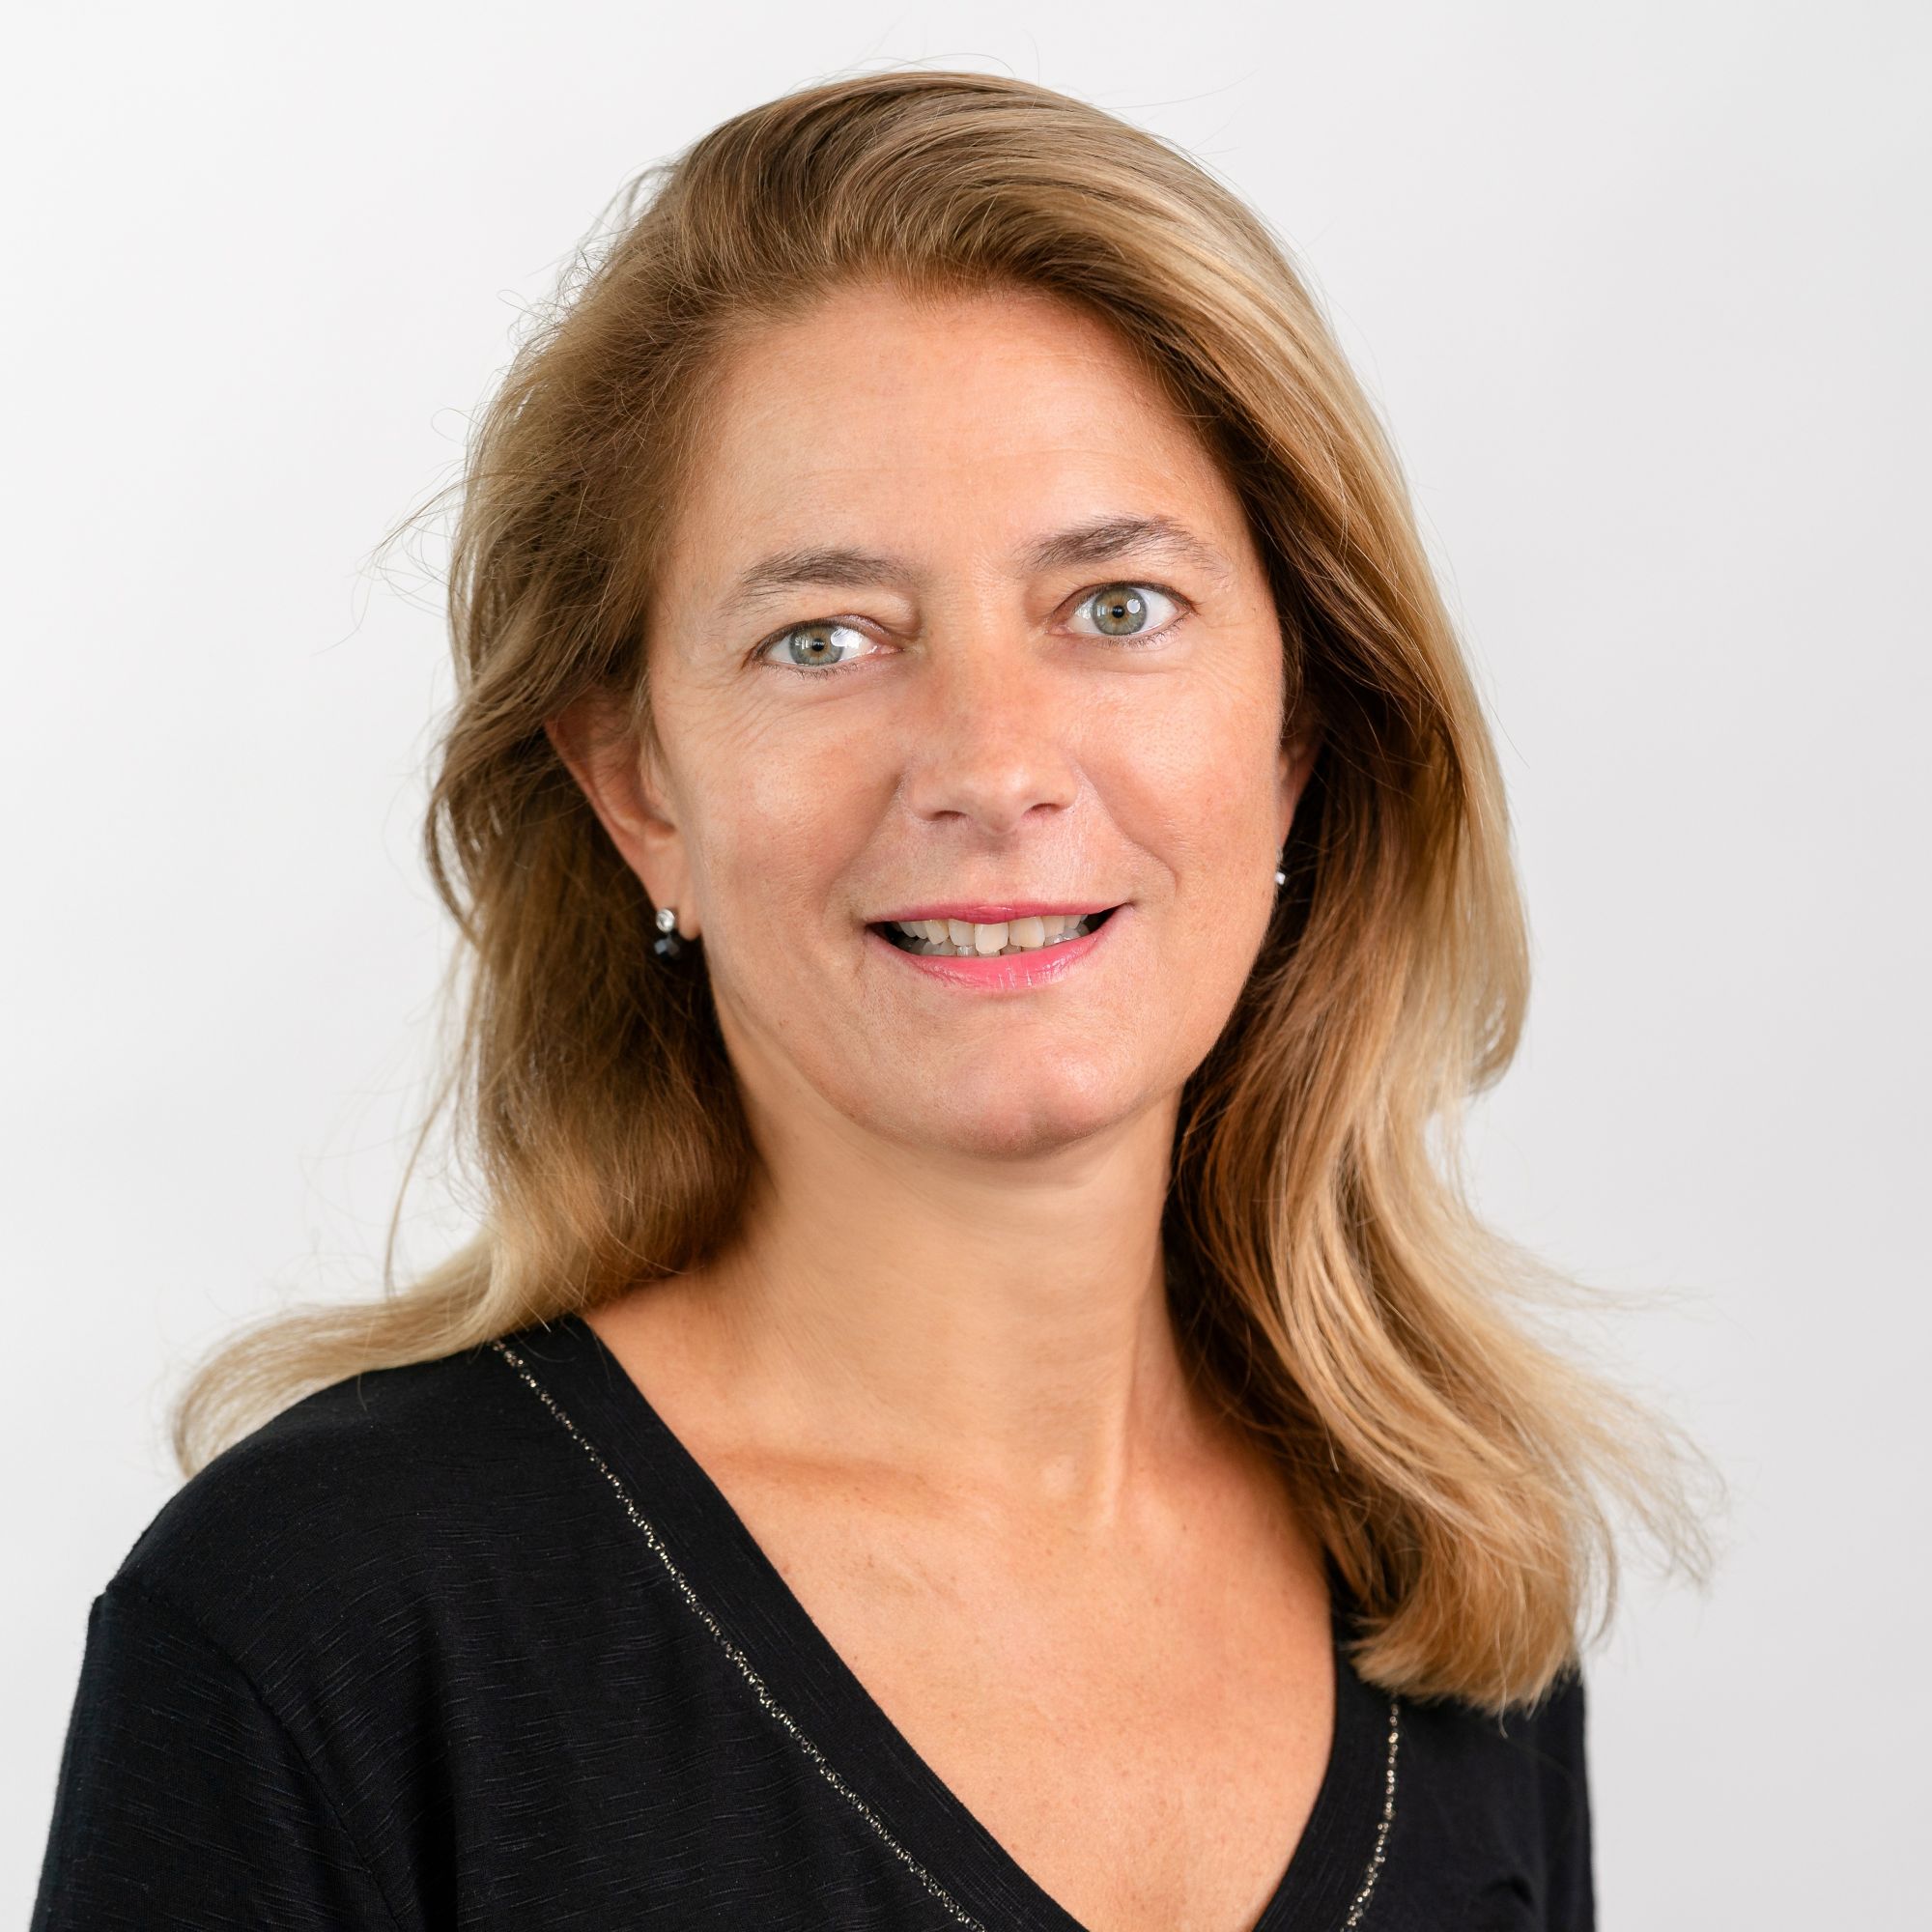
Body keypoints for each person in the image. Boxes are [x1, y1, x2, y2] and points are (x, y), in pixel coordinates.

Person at [31, 68, 1713, 1931]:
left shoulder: (1439, 1584)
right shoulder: (324, 1628)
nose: (993, 766)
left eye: (1117, 605)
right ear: (637, 790)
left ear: (1298, 725)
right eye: (822, 639)